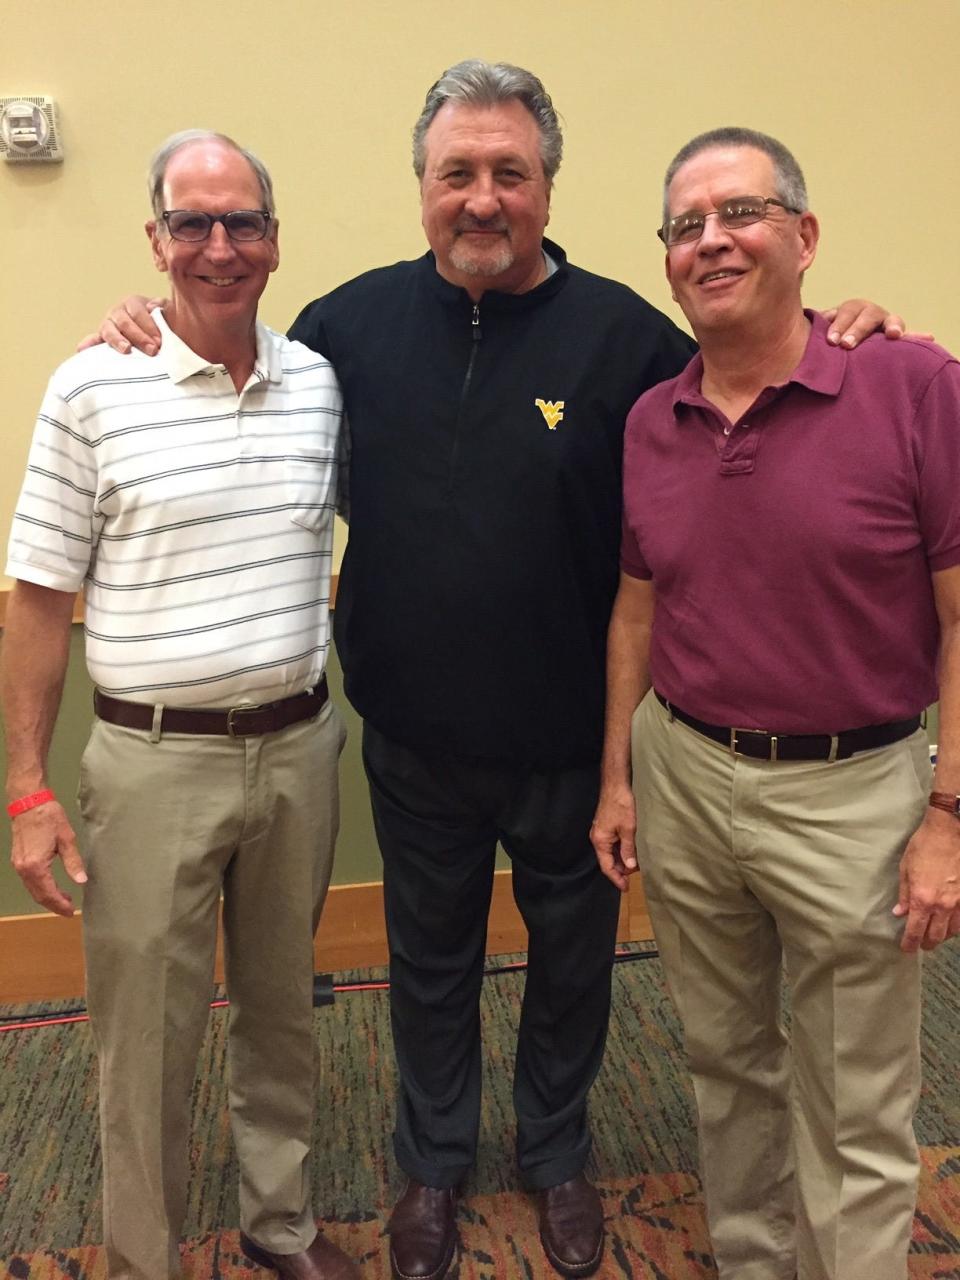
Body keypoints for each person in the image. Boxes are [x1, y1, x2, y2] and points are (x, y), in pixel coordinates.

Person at [87, 63, 906, 1280]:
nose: (482, 199)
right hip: (414, 739)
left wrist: (858, 326)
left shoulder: (629, 335)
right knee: (429, 964)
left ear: (547, 186)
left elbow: (752, 363)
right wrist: (136, 328)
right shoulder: (341, 332)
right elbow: (237, 388)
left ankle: (559, 1152)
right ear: (420, 187)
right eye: (455, 174)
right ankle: (431, 1163)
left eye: (508, 174)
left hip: (579, 742)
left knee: (574, 967)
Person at [591, 126, 960, 1280]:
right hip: (688, 775)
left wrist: (949, 810)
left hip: (858, 791)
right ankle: (752, 1260)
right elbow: (636, 613)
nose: (712, 239)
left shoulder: (914, 385)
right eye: (686, 225)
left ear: (803, 237)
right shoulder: (654, 421)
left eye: (740, 212)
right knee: (727, 1059)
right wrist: (618, 775)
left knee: (857, 1095)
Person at [2, 132, 359, 1280]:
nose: (220, 246)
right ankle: (143, 1256)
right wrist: (29, 786)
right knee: (145, 1039)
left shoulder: (317, 382)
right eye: (192, 223)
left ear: (273, 238)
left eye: (242, 221)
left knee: (281, 1011)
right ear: (154, 240)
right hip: (152, 763)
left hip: (300, 745)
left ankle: (280, 1223)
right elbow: (41, 599)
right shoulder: (92, 385)